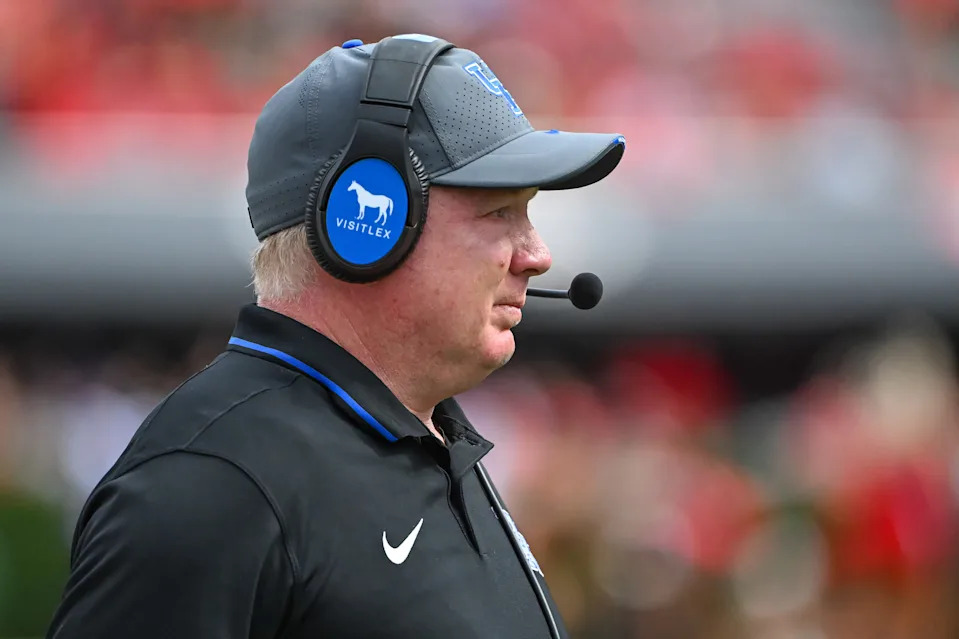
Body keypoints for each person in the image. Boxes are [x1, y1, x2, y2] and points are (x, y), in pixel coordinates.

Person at [46, 34, 625, 638]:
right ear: (370, 224)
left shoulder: (425, 442)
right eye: (500, 211)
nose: (538, 255)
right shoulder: (216, 482)